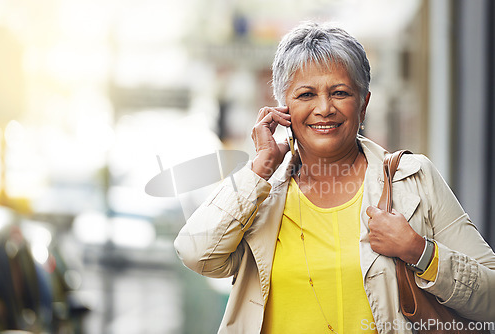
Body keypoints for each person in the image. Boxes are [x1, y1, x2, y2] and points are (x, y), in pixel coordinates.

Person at [174, 21, 495, 333]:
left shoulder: (413, 180)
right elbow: (196, 253)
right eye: (306, 95)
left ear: (364, 104)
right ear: (283, 109)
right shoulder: (257, 193)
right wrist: (259, 167)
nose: (324, 108)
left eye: (340, 92)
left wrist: (420, 251)